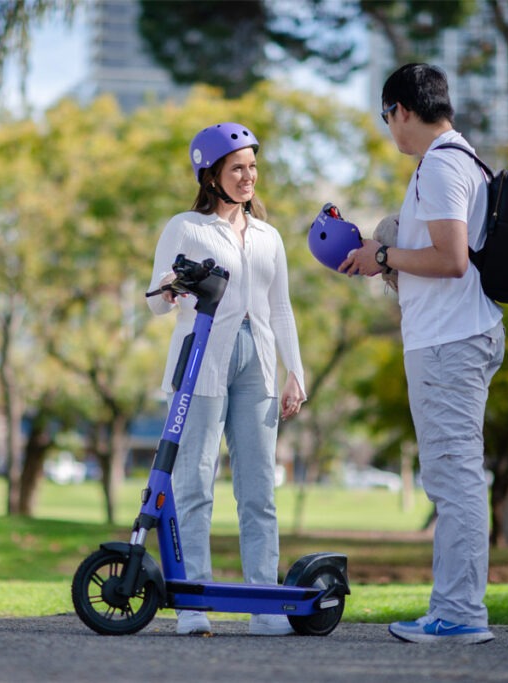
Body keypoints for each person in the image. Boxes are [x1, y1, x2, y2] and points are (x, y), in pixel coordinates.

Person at [340, 64, 505, 644]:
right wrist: (379, 256)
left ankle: (460, 615)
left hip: (448, 343)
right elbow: (441, 261)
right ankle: (456, 609)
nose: (390, 130)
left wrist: (383, 257)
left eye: (388, 118)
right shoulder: (463, 159)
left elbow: (451, 259)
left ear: (401, 110)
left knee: (454, 480)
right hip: (457, 335)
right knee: (454, 477)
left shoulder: (438, 165)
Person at [147, 122, 307, 636]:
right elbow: (155, 301)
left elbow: (280, 307)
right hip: (202, 360)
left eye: (253, 167)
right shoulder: (185, 227)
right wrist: (170, 291)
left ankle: (264, 603)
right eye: (237, 168)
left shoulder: (268, 236)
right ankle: (193, 604)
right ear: (211, 174)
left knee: (258, 489)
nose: (248, 176)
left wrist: (294, 372)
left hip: (257, 362)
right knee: (194, 483)